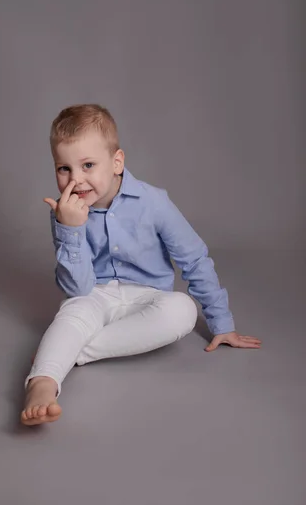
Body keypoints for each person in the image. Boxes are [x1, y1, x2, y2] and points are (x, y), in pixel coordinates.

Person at [21, 104, 261, 426]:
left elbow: (194, 259)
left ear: (117, 162)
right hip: (96, 293)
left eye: (88, 165)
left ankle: (67, 355)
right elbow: (77, 289)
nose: (76, 180)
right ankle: (42, 384)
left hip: (149, 296)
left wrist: (222, 323)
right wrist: (71, 229)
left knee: (182, 310)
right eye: (64, 168)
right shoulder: (66, 213)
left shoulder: (154, 202)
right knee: (74, 312)